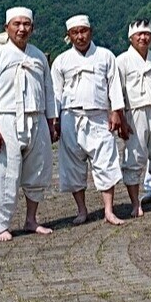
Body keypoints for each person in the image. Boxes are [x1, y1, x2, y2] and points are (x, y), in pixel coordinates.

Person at [0, 7, 58, 241]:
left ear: (32, 28)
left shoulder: (38, 56)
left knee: (38, 170)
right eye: (17, 24)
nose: (22, 28)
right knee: (4, 173)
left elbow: (49, 90)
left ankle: (31, 219)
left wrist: (51, 121)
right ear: (7, 28)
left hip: (37, 119)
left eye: (26, 24)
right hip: (7, 120)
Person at [50, 15, 127, 226]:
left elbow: (114, 85)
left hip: (98, 116)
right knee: (73, 164)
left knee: (105, 162)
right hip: (70, 117)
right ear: (69, 36)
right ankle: (82, 210)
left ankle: (109, 210)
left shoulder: (105, 56)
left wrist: (115, 112)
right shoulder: (61, 61)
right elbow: (56, 93)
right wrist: (54, 121)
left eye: (83, 31)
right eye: (75, 32)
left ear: (90, 32)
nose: (80, 36)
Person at [115, 19, 151, 216]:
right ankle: (134, 204)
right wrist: (122, 120)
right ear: (131, 38)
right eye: (139, 34)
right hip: (135, 113)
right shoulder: (121, 61)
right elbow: (117, 94)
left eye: (147, 34)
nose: (143, 37)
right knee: (133, 157)